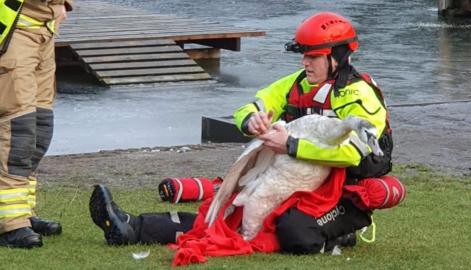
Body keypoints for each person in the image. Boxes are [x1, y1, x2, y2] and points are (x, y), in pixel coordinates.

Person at [88, 12, 401, 254]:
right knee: (232, 212)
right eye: (304, 55)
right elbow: (252, 105)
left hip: (342, 193)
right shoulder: (296, 83)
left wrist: (290, 146)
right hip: (297, 182)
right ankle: (131, 227)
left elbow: (352, 154)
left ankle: (339, 234)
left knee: (295, 235)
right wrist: (252, 120)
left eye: (313, 56)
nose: (305, 62)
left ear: (338, 56)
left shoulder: (359, 96)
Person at [0, 0, 74, 248]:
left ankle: (23, 212)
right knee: (17, 130)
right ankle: (9, 223)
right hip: (13, 33)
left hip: (44, 29)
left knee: (40, 127)